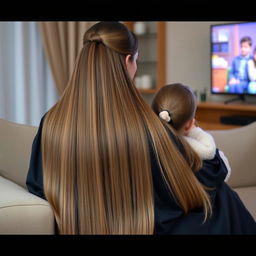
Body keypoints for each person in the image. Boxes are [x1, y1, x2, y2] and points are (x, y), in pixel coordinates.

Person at [26, 22, 256, 234]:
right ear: (128, 61)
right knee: (224, 198)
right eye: (136, 60)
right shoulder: (146, 125)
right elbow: (205, 175)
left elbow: (37, 187)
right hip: (141, 228)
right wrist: (196, 136)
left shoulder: (51, 121)